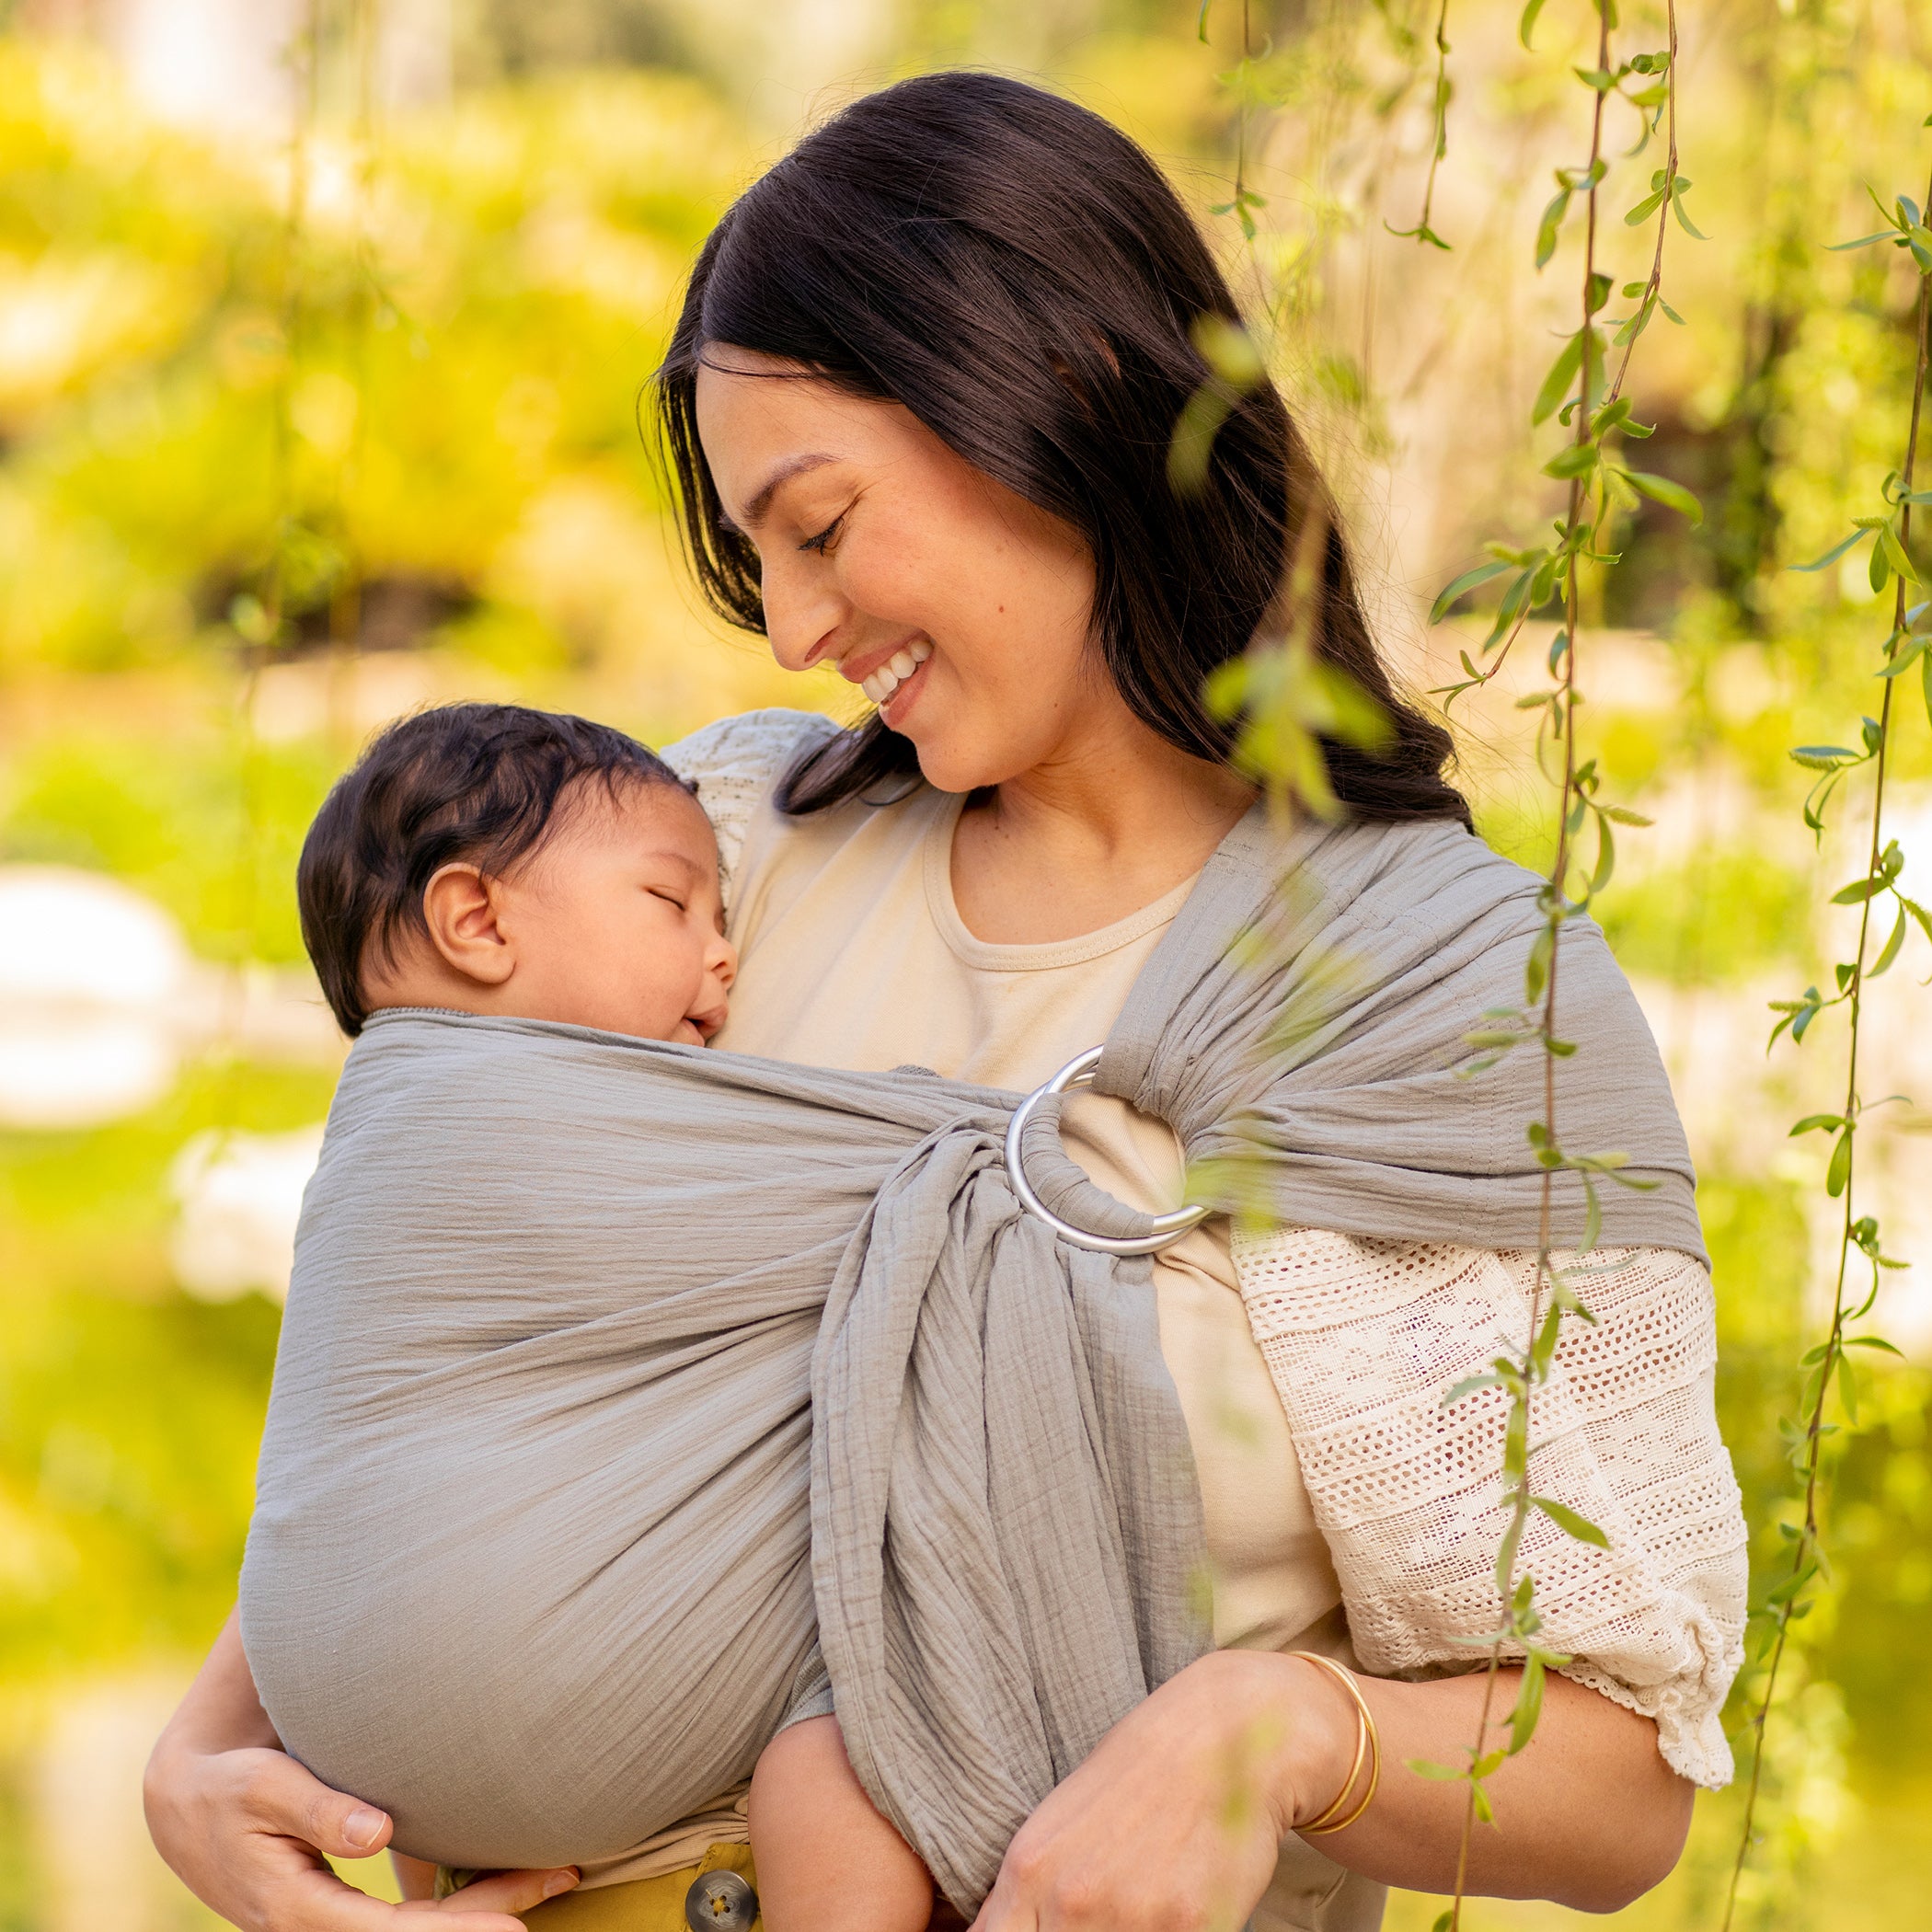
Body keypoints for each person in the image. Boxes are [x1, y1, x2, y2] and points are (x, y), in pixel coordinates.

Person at [144, 71, 1747, 1932]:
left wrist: (1272, 1733)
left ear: (1052, 400)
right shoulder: (716, 857)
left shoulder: (1452, 1005)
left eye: (819, 527)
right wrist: (208, 1755)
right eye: (757, 560)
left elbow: (1625, 1782)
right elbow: (454, 1360)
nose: (796, 628)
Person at [268, 698, 935, 1932]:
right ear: (476, 920)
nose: (724, 954)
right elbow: (914, 1191)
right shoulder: (484, 1117)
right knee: (861, 1726)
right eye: (672, 903)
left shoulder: (386, 1124)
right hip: (528, 1706)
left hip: (350, 1747)